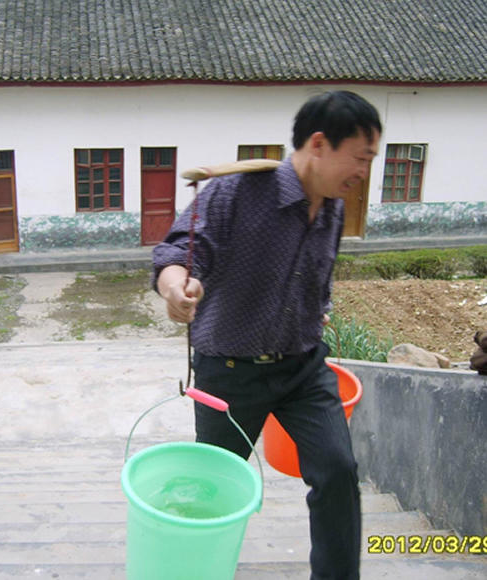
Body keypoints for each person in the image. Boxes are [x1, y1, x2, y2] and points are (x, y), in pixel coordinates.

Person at [152, 91, 382, 580]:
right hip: (229, 373)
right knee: (214, 492)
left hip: (303, 368)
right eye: (359, 157)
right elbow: (177, 252)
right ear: (318, 144)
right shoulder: (236, 191)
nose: (364, 171)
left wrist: (317, 311)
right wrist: (177, 288)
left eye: (370, 160)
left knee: (338, 471)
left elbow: (318, 277)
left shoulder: (334, 206)